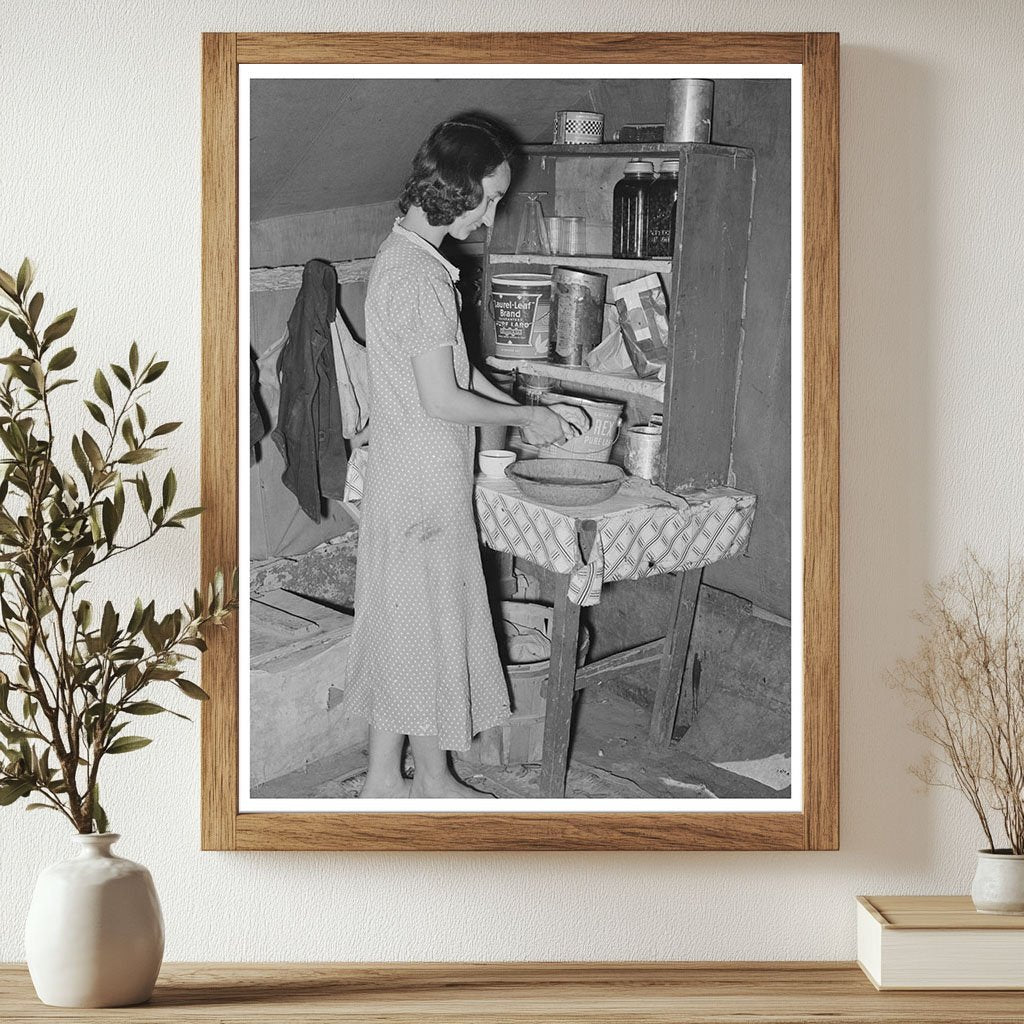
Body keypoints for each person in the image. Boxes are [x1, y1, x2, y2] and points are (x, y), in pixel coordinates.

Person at [343, 114, 588, 799]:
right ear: (453, 191)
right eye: (487, 198)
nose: (491, 215)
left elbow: (457, 372)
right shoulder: (420, 281)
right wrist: (523, 414)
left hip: (409, 471)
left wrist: (519, 402)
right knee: (423, 628)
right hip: (422, 478)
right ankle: (425, 783)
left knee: (406, 624)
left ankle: (388, 779)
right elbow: (443, 400)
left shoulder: (405, 258)